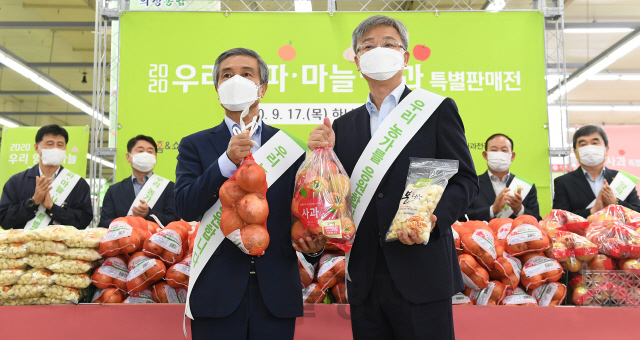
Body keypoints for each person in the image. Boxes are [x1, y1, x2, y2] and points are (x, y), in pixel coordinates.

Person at [308, 15, 478, 339]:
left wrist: (433, 219)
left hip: (422, 271)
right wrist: (318, 157)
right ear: (357, 62)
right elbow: (335, 196)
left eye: (389, 44)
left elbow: (466, 181)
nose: (379, 50)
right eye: (368, 46)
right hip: (365, 277)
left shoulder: (436, 109)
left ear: (405, 56)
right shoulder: (343, 127)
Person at [174, 48, 326, 340]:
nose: (236, 80)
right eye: (226, 75)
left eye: (246, 74)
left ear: (263, 88)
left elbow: (301, 215)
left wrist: (314, 247)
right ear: (217, 89)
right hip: (216, 289)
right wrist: (225, 162)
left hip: (276, 291)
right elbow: (184, 206)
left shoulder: (290, 148)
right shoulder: (194, 145)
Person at [0, 124, 92, 229]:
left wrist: (52, 208)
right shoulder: (16, 182)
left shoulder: (78, 184)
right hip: (24, 244)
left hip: (62, 244)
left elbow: (84, 220)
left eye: (60, 145)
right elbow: (3, 220)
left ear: (65, 148)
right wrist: (33, 202)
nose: (55, 149)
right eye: (50, 144)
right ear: (36, 147)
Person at [553, 124, 640, 218]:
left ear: (606, 149)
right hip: (581, 233)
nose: (589, 148)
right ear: (575, 152)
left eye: (594, 143)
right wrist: (592, 211)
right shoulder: (563, 182)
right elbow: (559, 219)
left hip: (619, 232)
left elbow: (637, 213)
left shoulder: (623, 179)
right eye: (583, 144)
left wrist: (616, 203)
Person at [98, 135, 179, 228]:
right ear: (128, 157)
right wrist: (128, 222)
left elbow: (175, 220)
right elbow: (104, 223)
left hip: (156, 241)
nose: (145, 155)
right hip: (124, 241)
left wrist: (149, 213)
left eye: (150, 152)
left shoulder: (169, 187)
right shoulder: (114, 191)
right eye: (140, 151)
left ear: (155, 158)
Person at [464, 134, 541, 221]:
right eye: (494, 150)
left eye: (504, 150)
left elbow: (536, 220)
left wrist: (519, 210)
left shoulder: (526, 186)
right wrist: (492, 210)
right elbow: (462, 217)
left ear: (512, 156)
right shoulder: (471, 184)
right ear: (485, 155)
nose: (499, 154)